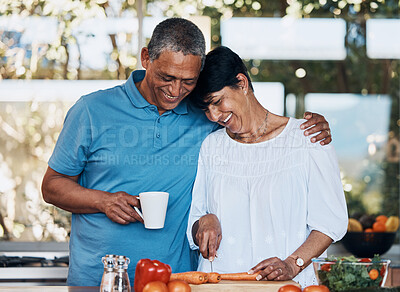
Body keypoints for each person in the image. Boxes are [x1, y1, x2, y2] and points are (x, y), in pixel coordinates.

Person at [41, 18, 332, 286]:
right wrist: (103, 201)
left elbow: (252, 127)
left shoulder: (204, 116)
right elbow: (52, 186)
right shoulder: (91, 111)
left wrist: (303, 130)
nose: (176, 90)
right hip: (99, 277)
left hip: (178, 280)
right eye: (166, 77)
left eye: (188, 81)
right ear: (146, 58)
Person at [187, 46, 348, 288]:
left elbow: (330, 223)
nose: (213, 115)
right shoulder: (212, 146)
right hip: (221, 284)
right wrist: (204, 222)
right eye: (206, 109)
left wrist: (292, 264)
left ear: (241, 83)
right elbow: (195, 220)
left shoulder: (307, 138)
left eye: (217, 102)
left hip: (289, 286)